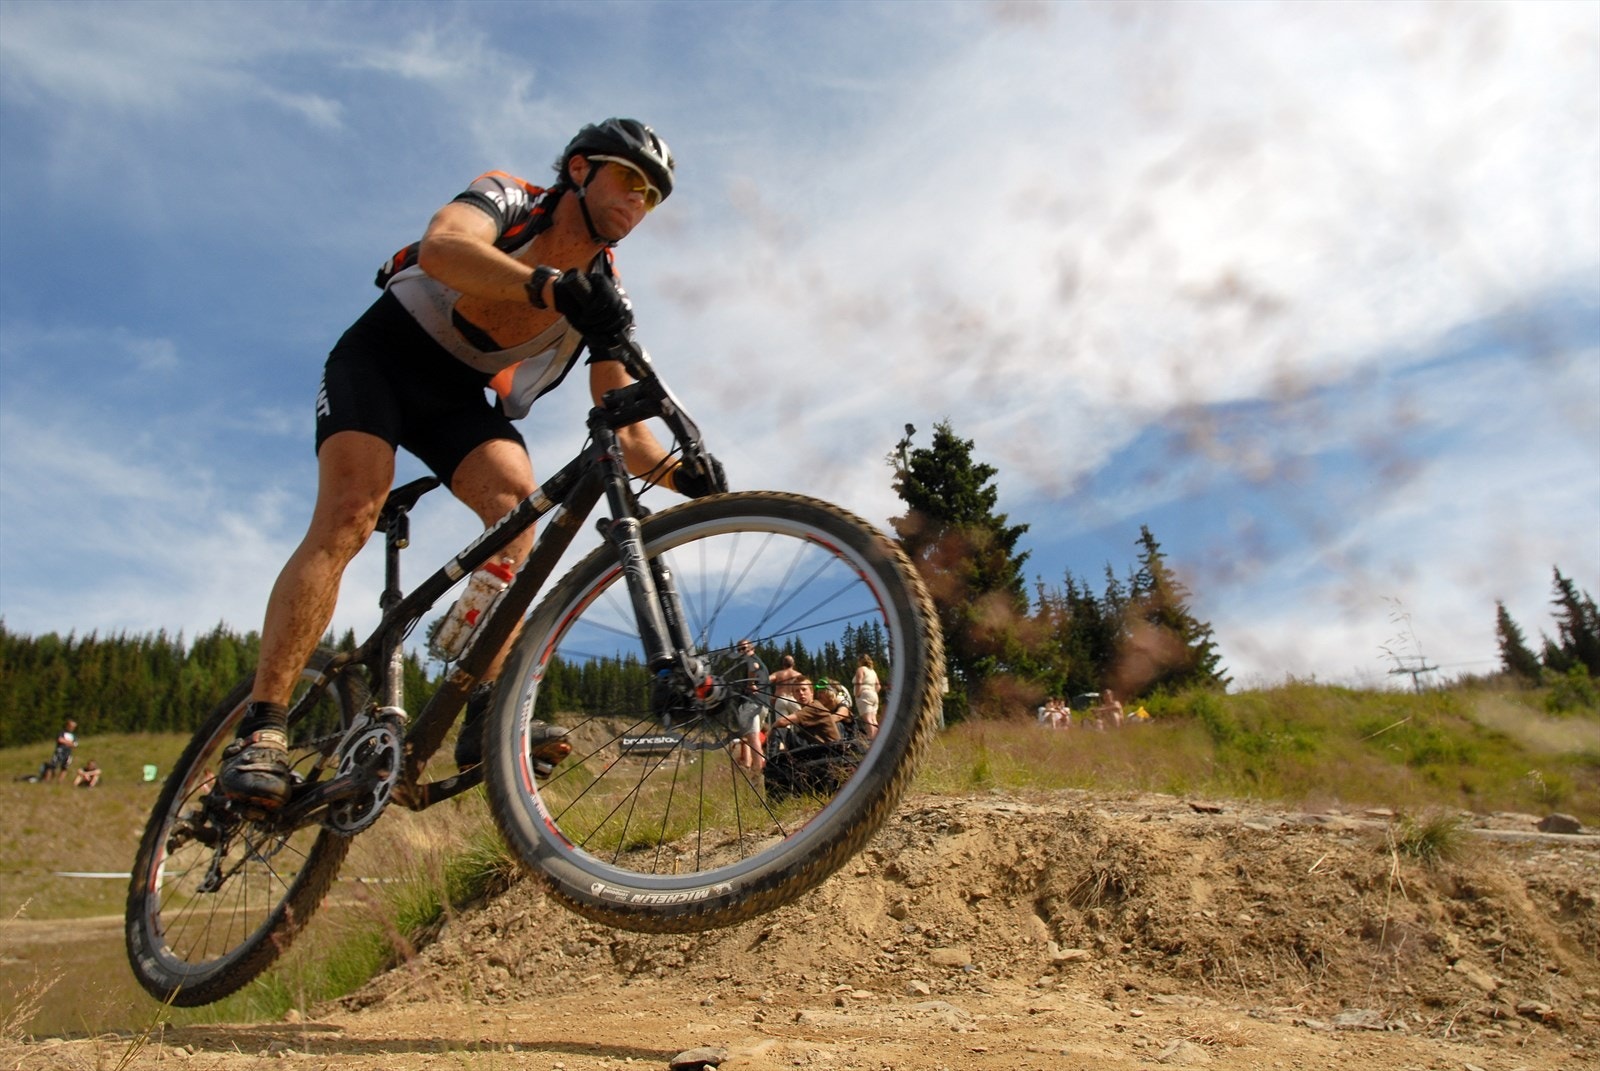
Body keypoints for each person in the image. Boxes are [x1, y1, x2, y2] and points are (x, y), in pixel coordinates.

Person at [219, 119, 725, 810]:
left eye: (654, 196)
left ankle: (483, 704)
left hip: (455, 397)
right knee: (349, 514)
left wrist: (688, 477)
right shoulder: (511, 198)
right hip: (382, 360)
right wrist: (549, 286)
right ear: (580, 169)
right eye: (630, 179)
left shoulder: (603, 288)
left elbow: (630, 433)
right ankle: (263, 729)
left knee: (519, 506)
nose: (639, 201)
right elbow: (445, 247)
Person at [728, 639, 768, 772]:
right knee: (752, 736)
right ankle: (751, 763)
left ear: (752, 649)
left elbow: (753, 667)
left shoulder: (751, 661)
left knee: (753, 737)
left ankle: (758, 768)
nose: (741, 651)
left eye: (744, 648)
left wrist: (750, 684)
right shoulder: (761, 663)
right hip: (763, 704)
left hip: (751, 703)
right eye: (739, 649)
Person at [774, 678, 846, 743]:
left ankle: (770, 757)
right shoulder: (807, 709)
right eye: (797, 691)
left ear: (812, 692)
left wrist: (770, 731)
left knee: (779, 731)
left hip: (830, 749)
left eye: (804, 689)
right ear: (793, 695)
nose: (801, 693)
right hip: (818, 747)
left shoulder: (814, 707)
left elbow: (782, 721)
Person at [852, 654, 881, 740]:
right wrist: (873, 692)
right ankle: (877, 737)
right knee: (873, 719)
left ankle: (871, 739)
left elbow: (859, 682)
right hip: (873, 694)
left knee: (867, 719)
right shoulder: (872, 671)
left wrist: (857, 694)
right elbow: (878, 686)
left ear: (860, 661)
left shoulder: (860, 669)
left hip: (864, 694)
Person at [769, 655, 803, 721]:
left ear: (783, 664)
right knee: (799, 722)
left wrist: (770, 696)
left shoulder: (777, 674)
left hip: (780, 699)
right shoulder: (798, 675)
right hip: (793, 700)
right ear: (793, 664)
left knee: (782, 726)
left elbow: (766, 680)